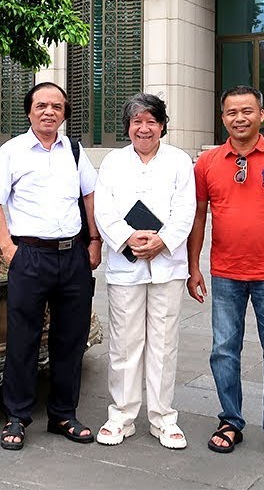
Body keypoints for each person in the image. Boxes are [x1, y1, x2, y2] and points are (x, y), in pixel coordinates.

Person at [186, 85, 264, 462]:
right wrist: (193, 267)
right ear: (222, 118)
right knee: (224, 351)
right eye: (231, 112)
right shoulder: (206, 163)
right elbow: (197, 217)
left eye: (247, 111)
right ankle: (230, 421)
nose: (239, 118)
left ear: (261, 115)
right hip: (225, 274)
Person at [0, 81, 101, 451]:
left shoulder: (76, 152)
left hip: (74, 256)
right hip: (29, 257)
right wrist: (8, 248)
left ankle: (63, 413)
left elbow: (90, 195)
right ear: (29, 111)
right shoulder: (12, 151)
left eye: (57, 107)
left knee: (71, 339)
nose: (49, 112)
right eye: (41, 106)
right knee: (23, 339)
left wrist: (94, 241)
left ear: (65, 113)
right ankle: (16, 416)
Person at [92, 93, 195, 449]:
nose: (144, 128)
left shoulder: (180, 161)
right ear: (128, 127)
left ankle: (163, 418)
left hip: (168, 267)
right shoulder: (112, 162)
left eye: (151, 121)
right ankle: (121, 415)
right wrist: (128, 237)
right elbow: (103, 211)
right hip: (125, 265)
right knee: (124, 343)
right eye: (137, 121)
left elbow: (187, 211)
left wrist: (162, 241)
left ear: (162, 125)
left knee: (164, 344)